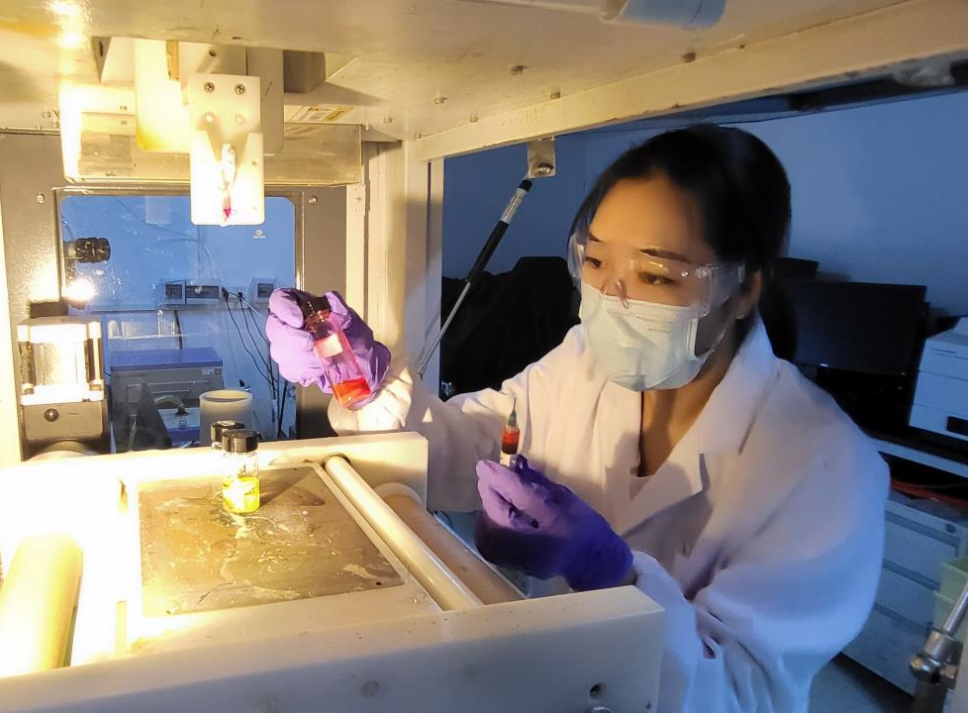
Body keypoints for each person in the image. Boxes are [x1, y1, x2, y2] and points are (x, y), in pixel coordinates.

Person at [265, 125, 888, 712]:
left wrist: (612, 576)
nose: (612, 300)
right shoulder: (583, 360)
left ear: (743, 289)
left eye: (655, 274)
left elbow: (737, 695)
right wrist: (364, 383)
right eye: (595, 263)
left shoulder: (826, 466)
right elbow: (470, 449)